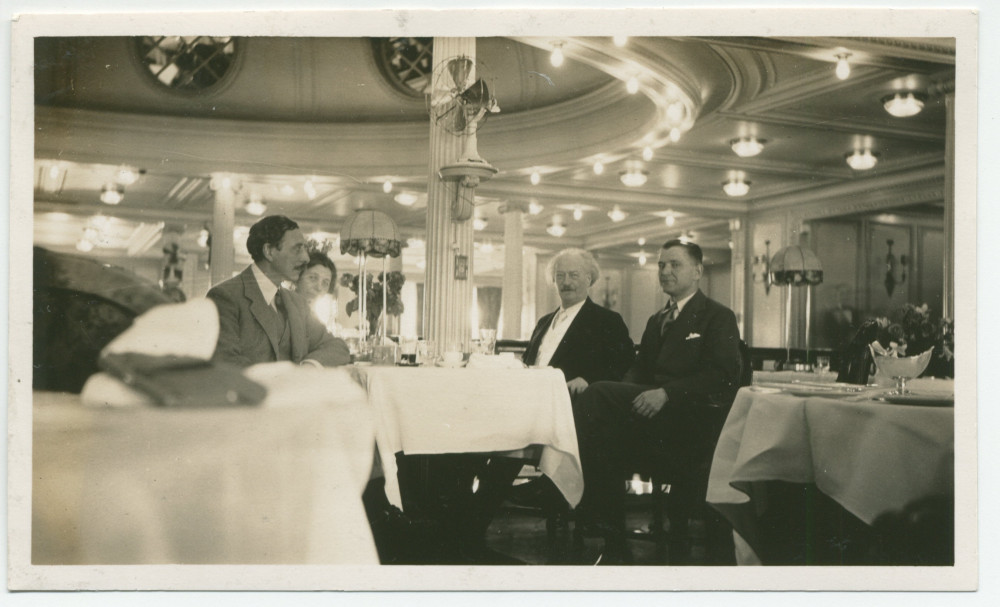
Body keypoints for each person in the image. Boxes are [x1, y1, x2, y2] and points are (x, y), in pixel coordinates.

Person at [573, 239, 741, 562]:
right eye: (661, 265)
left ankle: (578, 499)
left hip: (691, 425)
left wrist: (667, 393)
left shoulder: (718, 317)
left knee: (595, 395)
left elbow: (721, 376)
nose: (665, 271)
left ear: (698, 271)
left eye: (674, 264)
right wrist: (625, 396)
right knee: (603, 437)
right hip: (651, 424)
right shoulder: (656, 320)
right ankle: (614, 538)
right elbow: (639, 370)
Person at [503, 248, 636, 510]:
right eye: (560, 275)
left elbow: (624, 364)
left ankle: (550, 487)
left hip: (571, 409)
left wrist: (589, 380)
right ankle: (472, 516)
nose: (566, 282)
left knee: (505, 448)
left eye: (574, 275)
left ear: (590, 279)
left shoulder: (606, 320)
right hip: (529, 406)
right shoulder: (543, 322)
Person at [206, 215, 351, 367]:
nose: (306, 258)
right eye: (297, 249)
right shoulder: (225, 297)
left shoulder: (297, 303)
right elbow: (225, 362)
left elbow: (337, 347)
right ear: (269, 251)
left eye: (304, 249)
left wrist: (309, 365)